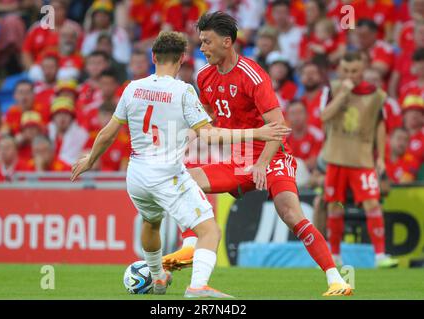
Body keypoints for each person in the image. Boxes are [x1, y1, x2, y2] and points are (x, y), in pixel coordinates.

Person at [71, 30, 288, 298]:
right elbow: (210, 134)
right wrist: (257, 133)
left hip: (136, 175)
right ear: (182, 59)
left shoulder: (132, 88)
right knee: (209, 231)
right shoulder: (183, 91)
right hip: (166, 174)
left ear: (153, 57)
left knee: (151, 223)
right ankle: (197, 287)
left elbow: (108, 132)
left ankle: (158, 276)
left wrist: (90, 160)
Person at [162, 12, 352, 297]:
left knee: (290, 212)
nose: (201, 48)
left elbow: (279, 127)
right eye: (200, 41)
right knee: (182, 180)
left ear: (227, 42)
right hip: (237, 160)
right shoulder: (204, 76)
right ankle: (190, 244)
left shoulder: (253, 75)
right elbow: (211, 114)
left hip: (271, 156)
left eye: (207, 41)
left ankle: (336, 279)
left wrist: (262, 163)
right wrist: (189, 134)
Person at [321, 51, 399, 269]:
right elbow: (323, 116)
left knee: (372, 203)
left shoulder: (376, 95)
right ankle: (334, 256)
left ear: (363, 69)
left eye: (354, 71)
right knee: (335, 207)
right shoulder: (333, 89)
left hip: (363, 159)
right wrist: (343, 95)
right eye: (346, 70)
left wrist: (381, 157)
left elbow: (380, 125)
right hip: (336, 157)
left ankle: (380, 256)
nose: (350, 75)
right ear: (339, 70)